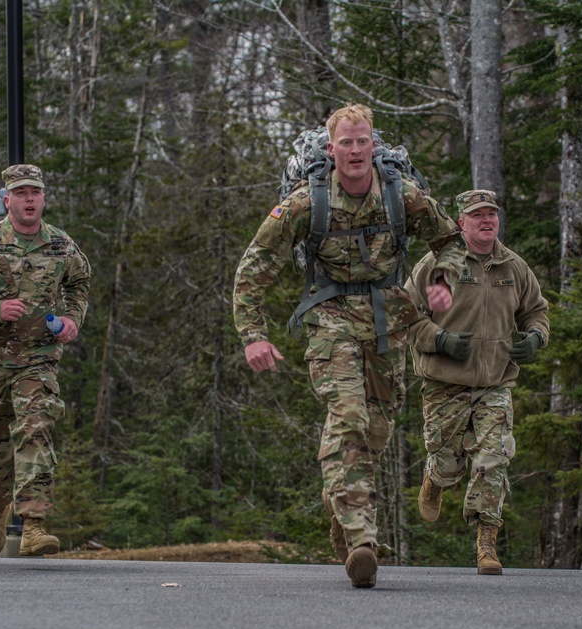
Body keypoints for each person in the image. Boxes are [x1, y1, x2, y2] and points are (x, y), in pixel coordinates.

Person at [233, 104, 466, 588]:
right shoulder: (306, 202)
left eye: (363, 142)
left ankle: (338, 499)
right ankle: (362, 540)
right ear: (331, 147)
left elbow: (451, 239)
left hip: (388, 319)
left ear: (374, 145)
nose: (356, 151)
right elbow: (253, 269)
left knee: (377, 431)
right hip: (330, 316)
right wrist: (254, 336)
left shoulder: (402, 195)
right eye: (346, 143)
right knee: (349, 417)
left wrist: (443, 278)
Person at [0, 164, 91, 557]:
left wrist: (72, 319)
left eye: (35, 193)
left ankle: (34, 526)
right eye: (21, 194)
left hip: (37, 358)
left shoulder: (62, 245)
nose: (29, 200)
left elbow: (79, 284)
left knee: (36, 427)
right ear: (7, 201)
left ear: (43, 199)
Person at [405, 189, 549, 575]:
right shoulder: (438, 265)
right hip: (444, 383)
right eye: (478, 215)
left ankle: (486, 543)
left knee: (493, 460)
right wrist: (439, 339)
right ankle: (437, 479)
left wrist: (535, 338)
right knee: (450, 463)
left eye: (492, 215)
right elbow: (406, 314)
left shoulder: (513, 268)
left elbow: (536, 312)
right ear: (461, 222)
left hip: (494, 383)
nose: (487, 221)